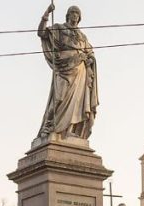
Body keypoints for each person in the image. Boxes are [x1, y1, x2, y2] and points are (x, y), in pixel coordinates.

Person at [37, 3, 99, 141]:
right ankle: (48, 128)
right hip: (64, 68)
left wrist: (90, 59)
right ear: (68, 15)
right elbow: (41, 33)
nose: (75, 16)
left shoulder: (82, 36)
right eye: (72, 13)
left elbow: (90, 52)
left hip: (80, 71)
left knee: (77, 101)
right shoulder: (59, 28)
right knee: (59, 98)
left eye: (77, 14)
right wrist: (47, 13)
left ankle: (69, 130)